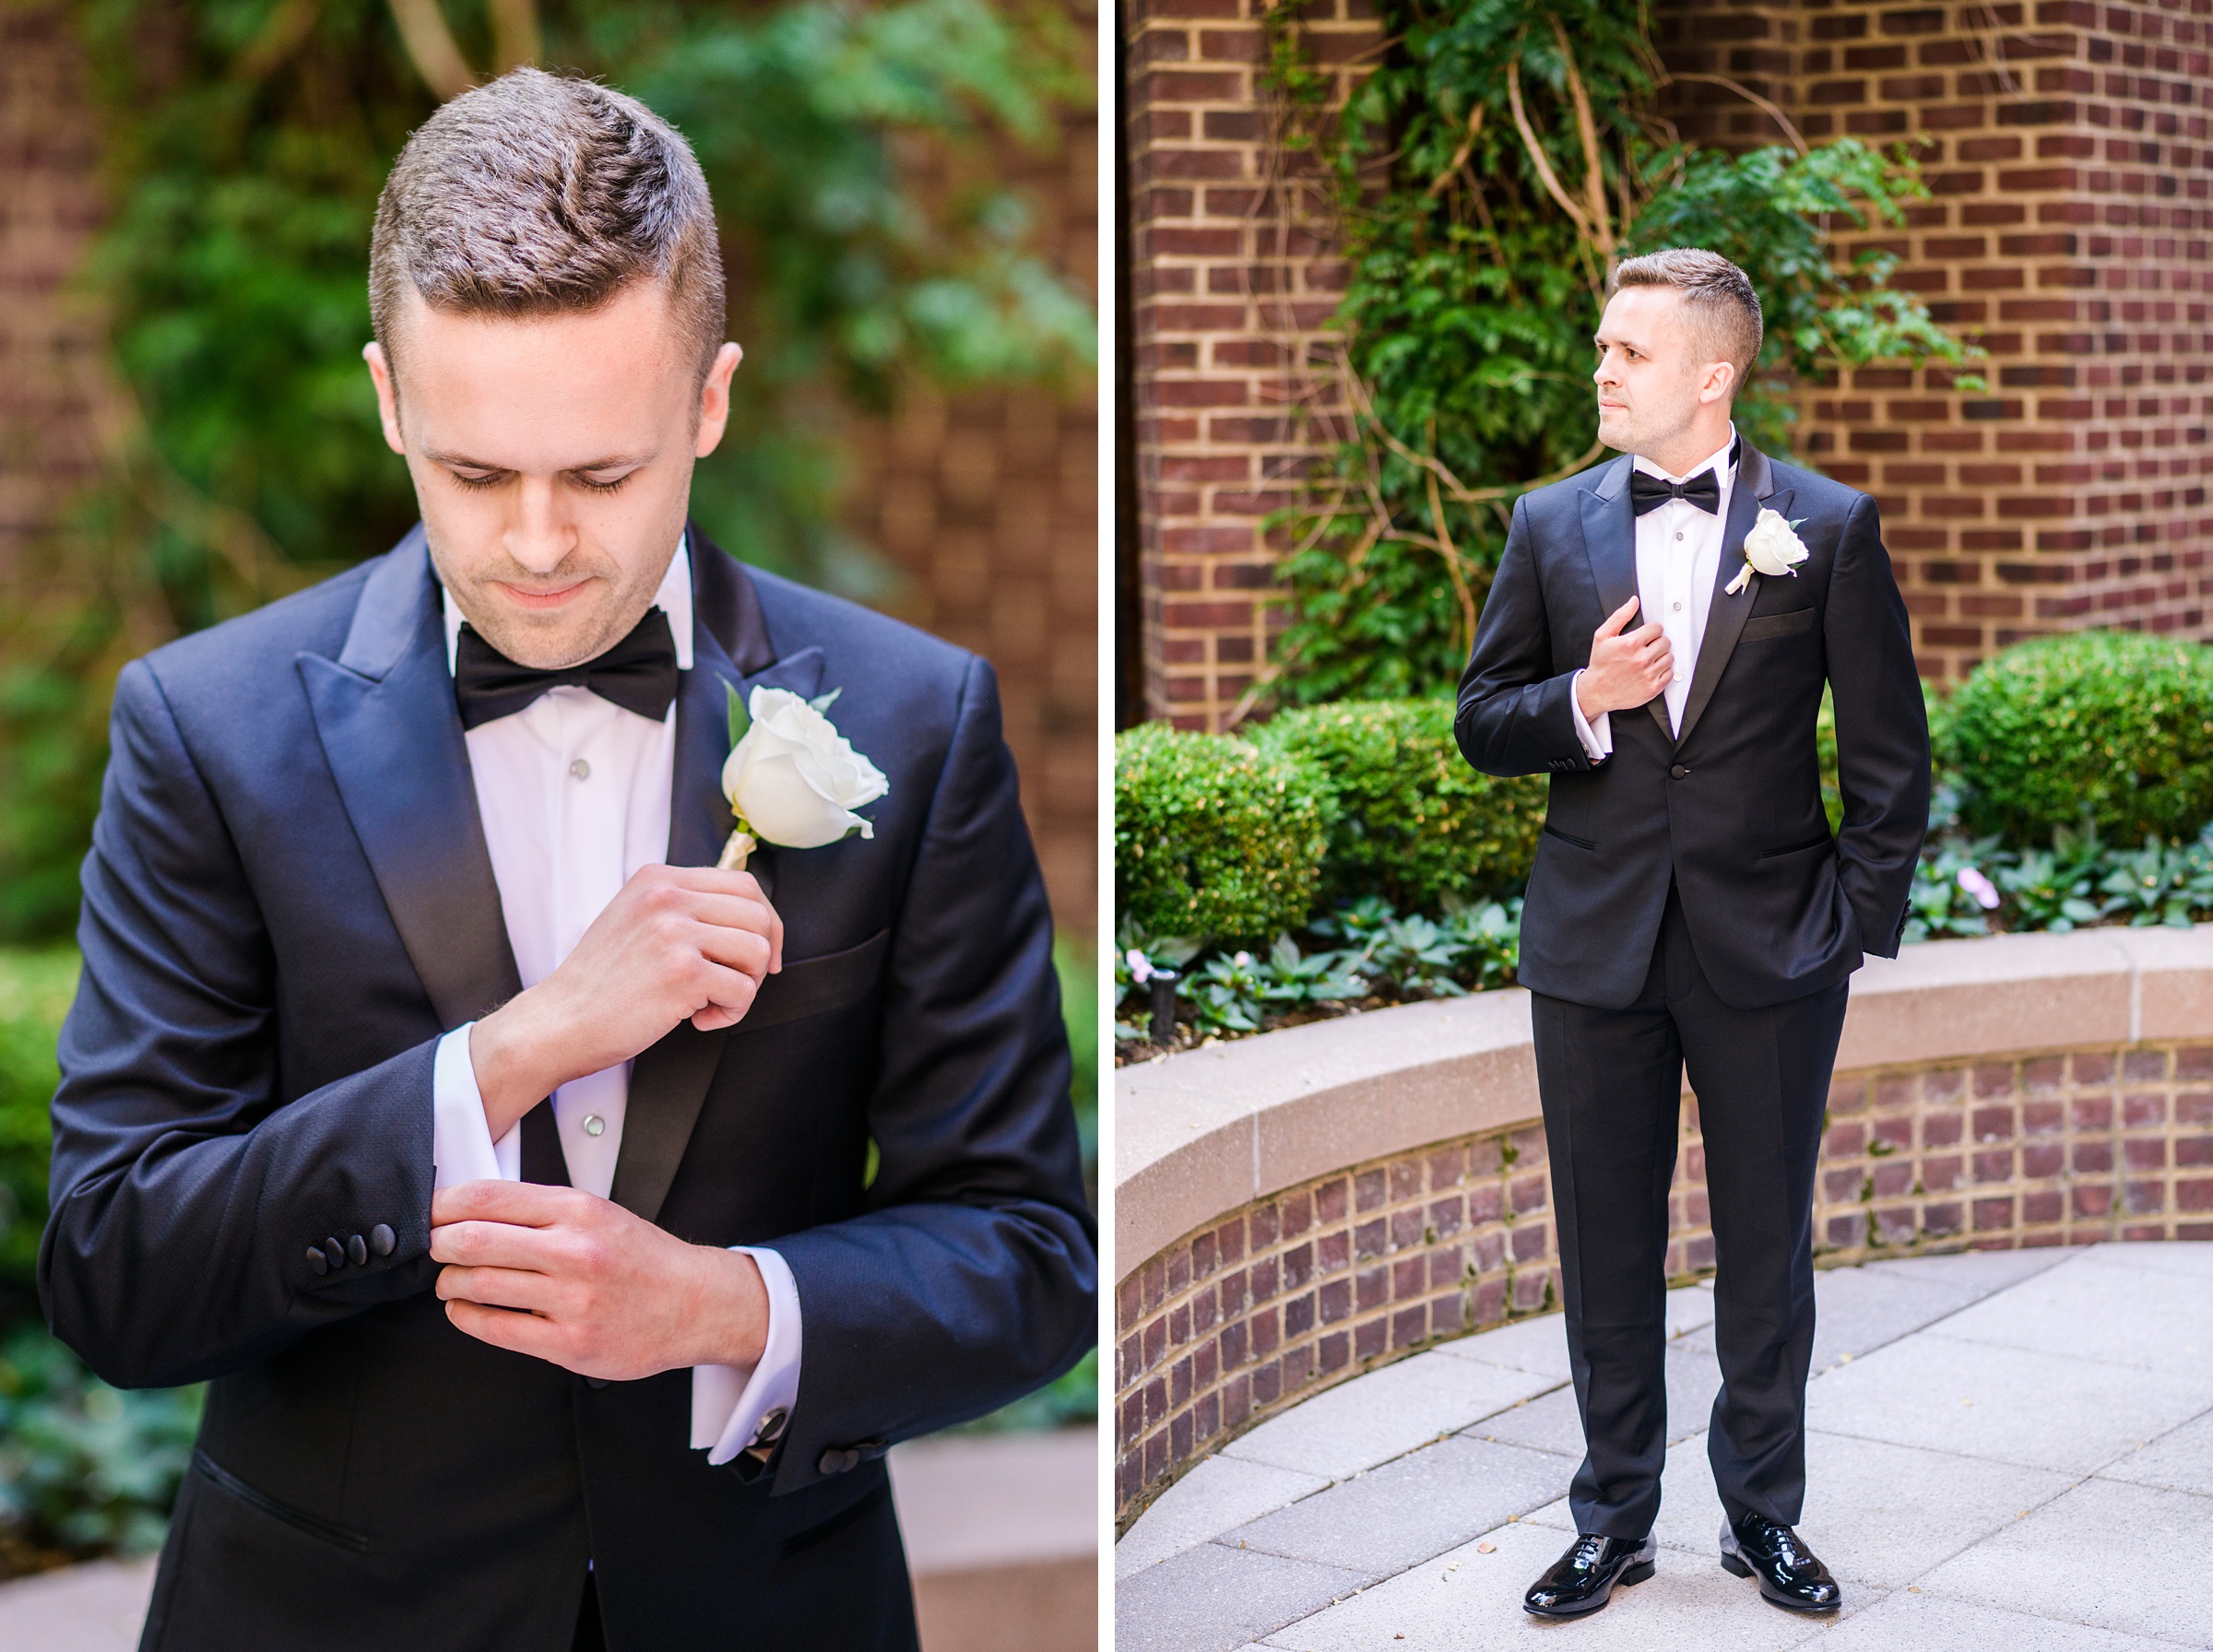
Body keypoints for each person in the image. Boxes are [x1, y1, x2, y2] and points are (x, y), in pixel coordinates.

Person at [40, 68, 1095, 1652]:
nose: (536, 543)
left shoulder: (913, 719)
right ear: (392, 399)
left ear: (711, 404)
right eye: (474, 473)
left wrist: (723, 1310)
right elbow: (119, 1267)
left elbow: (1026, 1254)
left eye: (602, 474)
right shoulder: (207, 728)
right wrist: (518, 1054)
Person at [1456, 248, 1928, 1620]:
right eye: (1602, 348)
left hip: (1774, 946)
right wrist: (1583, 697)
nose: (1602, 370)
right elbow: (1484, 718)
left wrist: (1852, 924)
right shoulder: (1549, 525)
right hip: (1593, 944)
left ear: (1713, 374)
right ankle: (1611, 1521)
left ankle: (1762, 1518)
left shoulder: (1826, 528)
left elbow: (1889, 754)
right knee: (1605, 1240)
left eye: (1631, 353)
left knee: (1767, 1244)